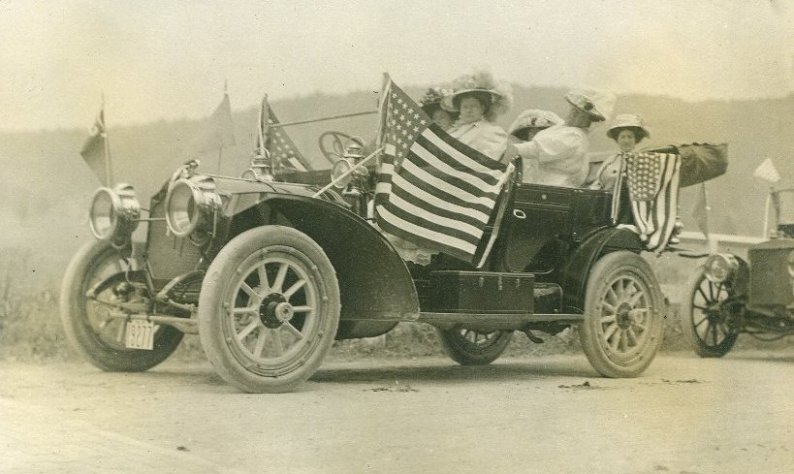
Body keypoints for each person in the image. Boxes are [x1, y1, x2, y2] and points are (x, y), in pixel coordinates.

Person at [515, 88, 615, 187]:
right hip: (538, 185)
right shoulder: (563, 128)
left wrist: (511, 149)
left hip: (552, 190)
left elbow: (536, 149)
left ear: (588, 121)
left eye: (580, 114)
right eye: (574, 109)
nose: (573, 114)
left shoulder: (575, 136)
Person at [440, 71, 511, 162]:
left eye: (473, 106)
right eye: (465, 107)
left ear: (482, 108)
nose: (469, 110)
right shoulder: (453, 131)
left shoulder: (492, 131)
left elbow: (492, 160)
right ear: (460, 109)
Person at [590, 114, 650, 191]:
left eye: (630, 137)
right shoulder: (611, 160)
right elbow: (598, 183)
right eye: (623, 137)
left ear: (636, 139)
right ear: (617, 139)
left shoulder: (642, 160)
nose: (626, 141)